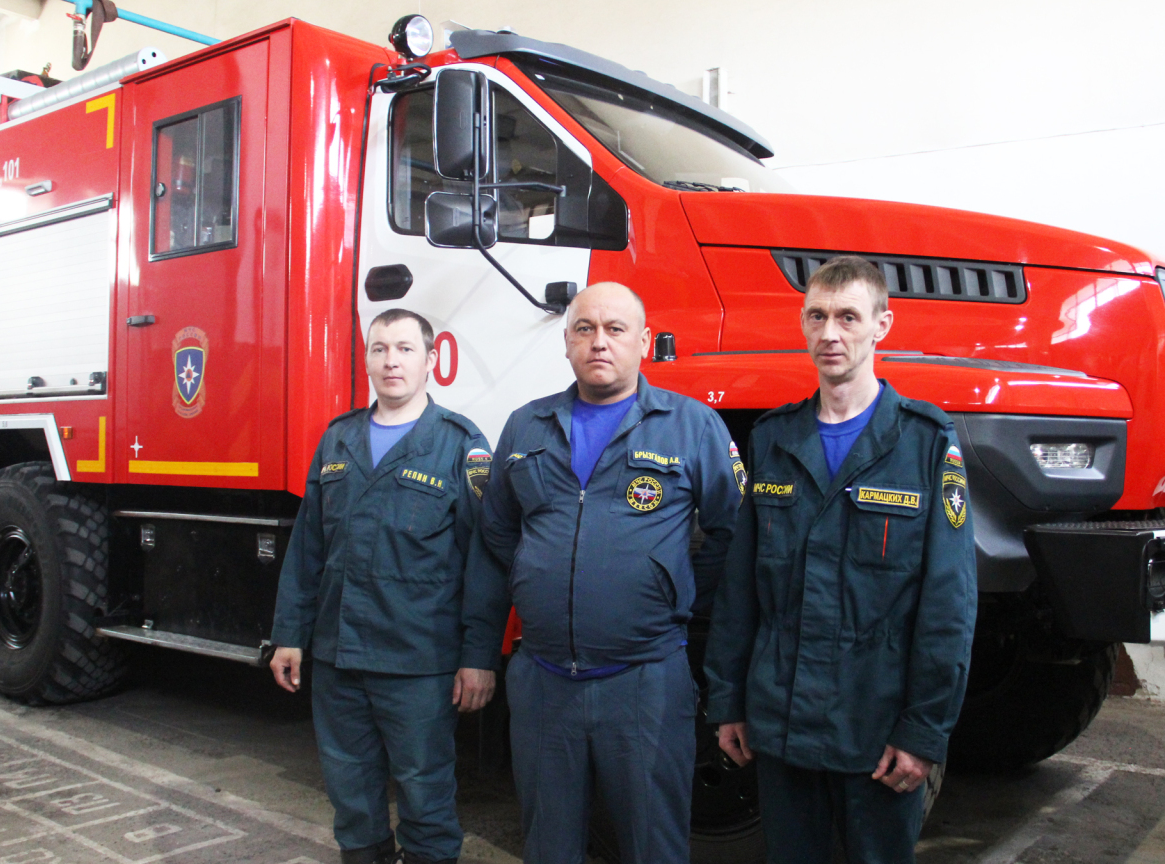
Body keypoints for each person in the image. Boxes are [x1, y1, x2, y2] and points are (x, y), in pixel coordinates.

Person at [703, 256, 977, 864]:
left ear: (882, 325)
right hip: (780, 723)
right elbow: (740, 590)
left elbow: (949, 605)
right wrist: (728, 701)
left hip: (874, 732)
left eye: (848, 317)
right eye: (817, 316)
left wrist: (924, 731)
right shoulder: (773, 439)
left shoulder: (926, 443)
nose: (830, 333)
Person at [463, 282, 744, 864]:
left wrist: (676, 591)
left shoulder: (691, 425)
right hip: (543, 683)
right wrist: (528, 583)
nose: (599, 342)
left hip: (645, 682)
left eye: (615, 329)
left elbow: (732, 533)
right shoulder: (526, 426)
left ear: (643, 342)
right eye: (585, 329)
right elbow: (498, 532)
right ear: (566, 341)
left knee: (654, 846)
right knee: (549, 847)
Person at [269, 308, 498, 864]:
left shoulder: (459, 444)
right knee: (350, 791)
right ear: (367, 360)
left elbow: (485, 564)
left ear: (431, 360)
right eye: (379, 349)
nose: (391, 361)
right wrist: (289, 635)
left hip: (418, 662)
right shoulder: (338, 439)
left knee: (424, 792)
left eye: (405, 348)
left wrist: (479, 657)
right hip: (339, 657)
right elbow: (307, 550)